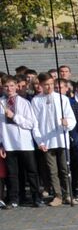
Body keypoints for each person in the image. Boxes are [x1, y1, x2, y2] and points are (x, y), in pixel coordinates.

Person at [32, 73, 78, 206]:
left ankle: (68, 194)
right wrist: (39, 141)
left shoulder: (62, 99)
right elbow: (35, 123)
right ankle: (57, 195)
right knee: (52, 171)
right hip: (46, 140)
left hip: (61, 138)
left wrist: (67, 123)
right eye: (46, 84)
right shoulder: (36, 100)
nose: (49, 87)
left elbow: (71, 119)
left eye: (51, 84)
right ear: (40, 85)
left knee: (65, 169)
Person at [2, 75, 41, 207]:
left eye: (12, 86)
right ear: (2, 87)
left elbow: (30, 123)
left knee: (31, 171)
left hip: (24, 143)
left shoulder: (24, 102)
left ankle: (36, 197)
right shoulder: (1, 102)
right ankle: (15, 198)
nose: (9, 89)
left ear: (16, 86)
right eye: (6, 86)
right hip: (8, 143)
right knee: (12, 173)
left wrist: (14, 116)